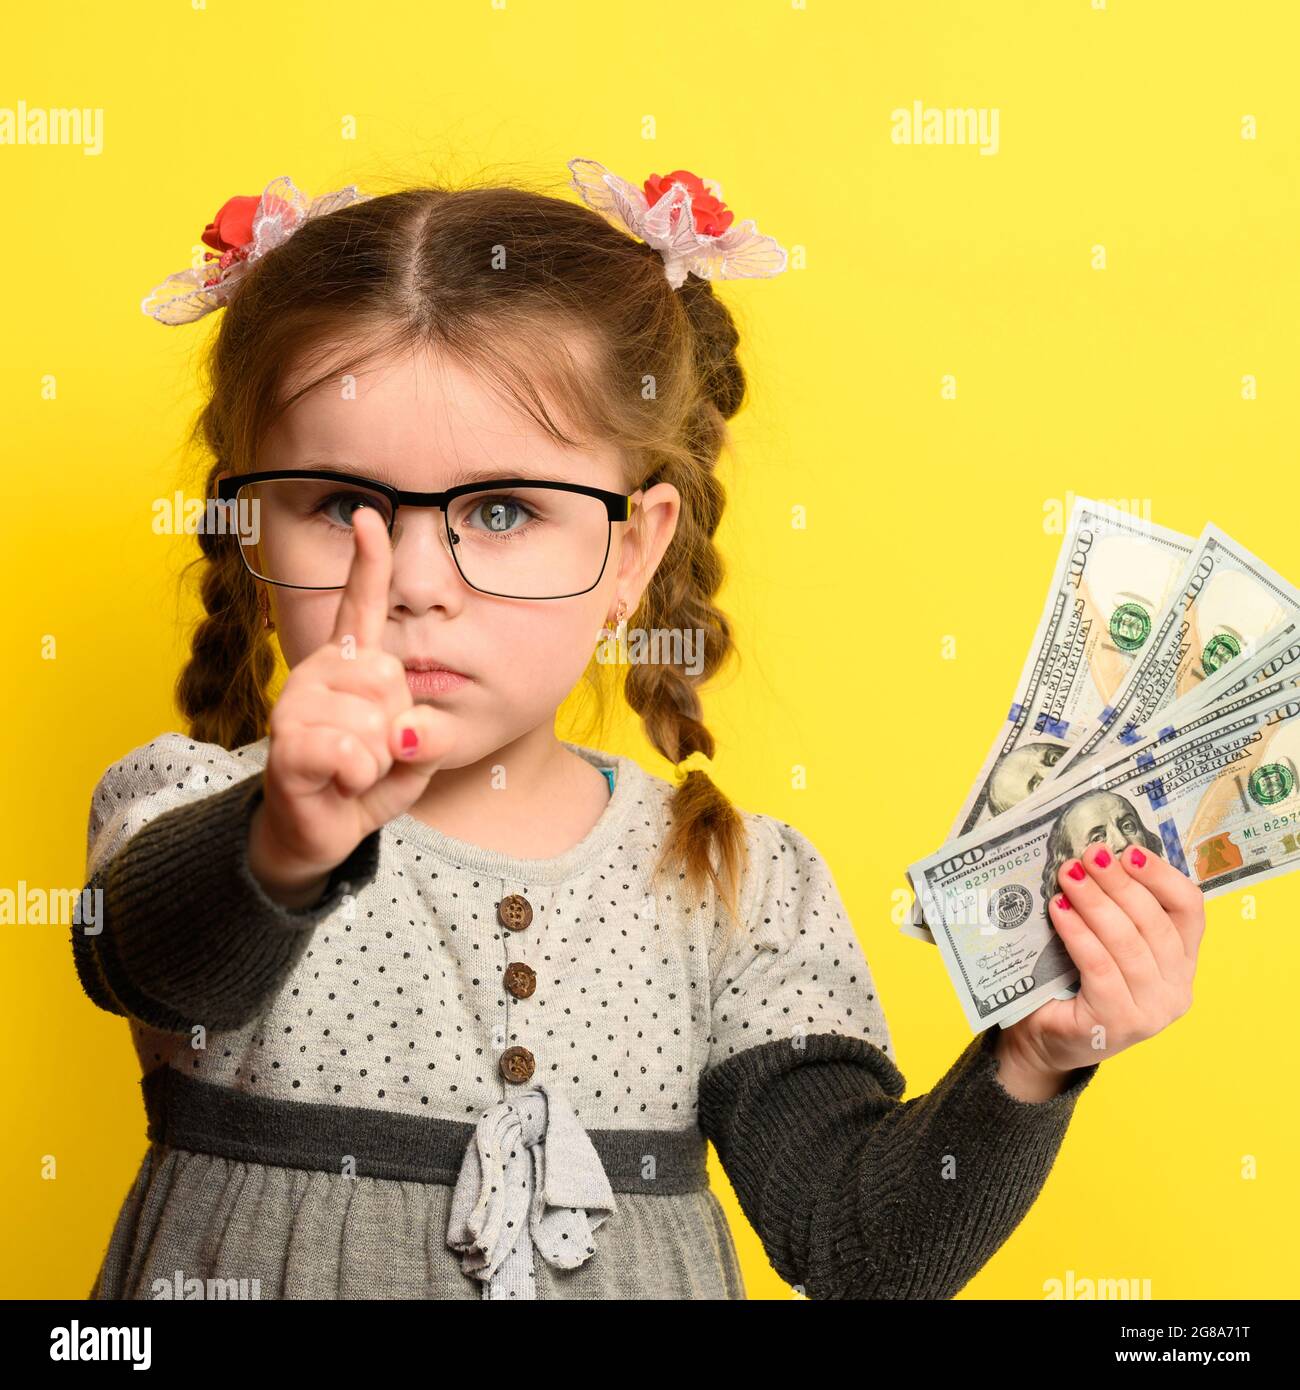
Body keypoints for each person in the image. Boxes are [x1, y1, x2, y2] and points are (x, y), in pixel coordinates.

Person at [72, 162, 1204, 1300]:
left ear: (631, 549)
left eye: (500, 511)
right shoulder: (181, 812)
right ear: (246, 518)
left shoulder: (733, 882)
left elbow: (856, 1252)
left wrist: (1030, 1063)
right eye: (341, 507)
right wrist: (283, 842)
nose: (413, 579)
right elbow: (160, 961)